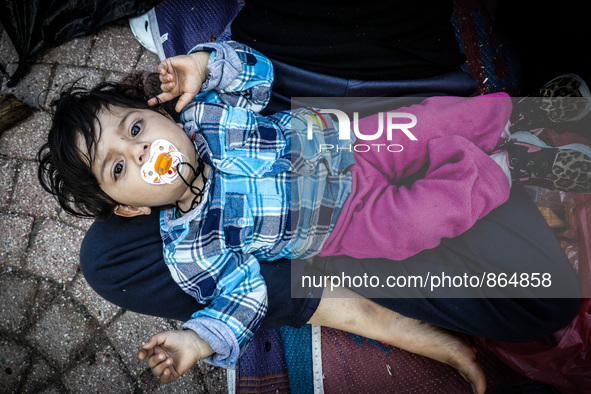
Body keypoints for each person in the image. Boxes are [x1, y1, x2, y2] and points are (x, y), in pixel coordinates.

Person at [38, 40, 588, 392]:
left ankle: (524, 121)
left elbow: (256, 77)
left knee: (435, 122)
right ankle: (504, 170)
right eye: (117, 168)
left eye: (135, 130)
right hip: (352, 218)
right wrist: (197, 342)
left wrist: (206, 64)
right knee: (422, 219)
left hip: (350, 143)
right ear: (129, 206)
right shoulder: (193, 246)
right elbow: (243, 299)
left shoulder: (208, 115)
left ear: (159, 117)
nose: (137, 151)